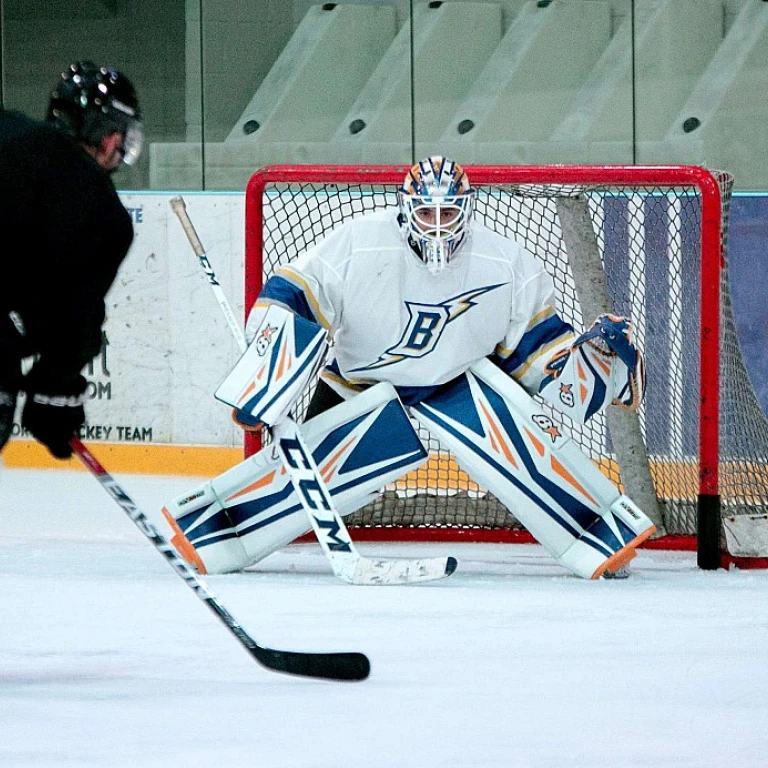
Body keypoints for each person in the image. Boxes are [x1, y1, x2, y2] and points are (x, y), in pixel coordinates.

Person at [165, 156, 652, 580]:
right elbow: (296, 291)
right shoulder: (360, 242)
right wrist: (266, 370)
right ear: (405, 208)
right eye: (426, 211)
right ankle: (216, 527)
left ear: (467, 210)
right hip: (362, 378)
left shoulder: (504, 260)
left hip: (455, 380)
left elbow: (534, 350)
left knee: (521, 445)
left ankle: (597, 530)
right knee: (310, 469)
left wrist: (591, 367)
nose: (437, 224)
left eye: (447, 211)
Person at [0, 60, 142, 459]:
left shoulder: (9, 129)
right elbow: (74, 316)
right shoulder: (103, 213)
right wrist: (55, 391)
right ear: (111, 137)